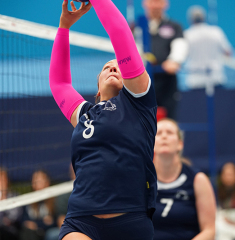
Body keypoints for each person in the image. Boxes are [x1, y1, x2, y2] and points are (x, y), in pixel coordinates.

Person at [49, 0, 157, 239]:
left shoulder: (139, 102)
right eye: (107, 67)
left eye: (118, 65)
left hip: (130, 220)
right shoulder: (84, 115)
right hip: (81, 220)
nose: (114, 68)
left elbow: (120, 35)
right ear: (97, 87)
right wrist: (64, 26)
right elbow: (60, 83)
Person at [153, 118, 216, 239]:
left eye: (170, 133)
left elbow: (209, 230)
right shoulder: (141, 179)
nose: (164, 136)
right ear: (151, 143)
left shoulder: (198, 180)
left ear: (180, 144)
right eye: (159, 133)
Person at [138, 0, 188, 120]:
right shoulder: (136, 26)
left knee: (169, 118)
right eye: (152, 2)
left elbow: (180, 45)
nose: (155, 5)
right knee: (142, 119)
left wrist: (174, 61)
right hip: (141, 82)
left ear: (166, 4)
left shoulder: (175, 26)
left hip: (167, 82)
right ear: (145, 4)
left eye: (159, 2)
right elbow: (131, 47)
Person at [184, 5, 232, 90]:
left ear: (190, 19)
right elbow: (228, 52)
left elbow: (183, 56)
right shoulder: (216, 31)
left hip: (195, 80)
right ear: (204, 18)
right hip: (216, 77)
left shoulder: (187, 35)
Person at [20, 170, 56, 240]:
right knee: (28, 232)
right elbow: (24, 221)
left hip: (46, 233)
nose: (38, 183)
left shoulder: (53, 200)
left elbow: (53, 222)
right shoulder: (28, 200)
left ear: (47, 182)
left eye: (40, 181)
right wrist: (42, 222)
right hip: (32, 233)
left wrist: (36, 224)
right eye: (35, 181)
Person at [44, 165, 75, 240]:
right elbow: (61, 219)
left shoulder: (93, 190)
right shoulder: (64, 193)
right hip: (71, 229)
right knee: (52, 235)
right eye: (73, 170)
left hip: (90, 227)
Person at [216, 162, 235, 240]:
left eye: (231, 174)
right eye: (226, 174)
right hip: (225, 226)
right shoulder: (217, 192)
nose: (228, 177)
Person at [0, 167, 23, 240]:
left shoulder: (14, 196)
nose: (2, 182)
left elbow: (14, 217)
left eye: (3, 179)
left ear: (7, 180)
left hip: (11, 231)